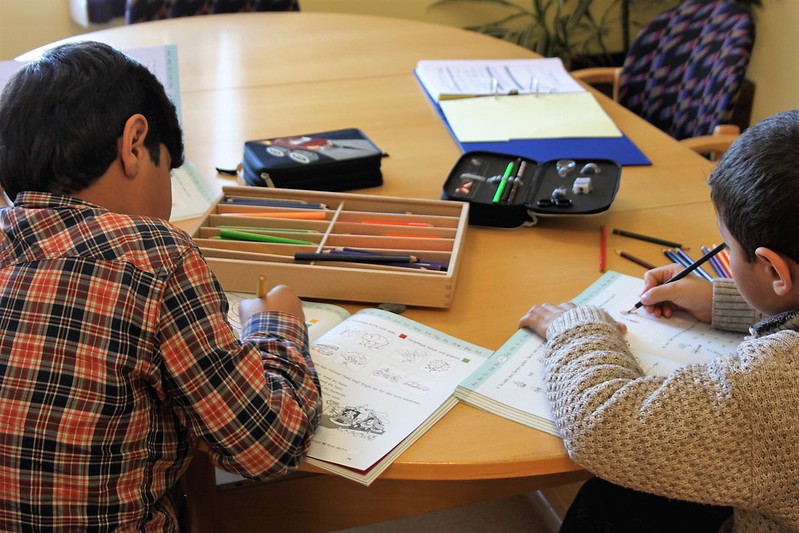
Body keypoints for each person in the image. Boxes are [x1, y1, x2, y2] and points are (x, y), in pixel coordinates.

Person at [0, 41, 321, 531]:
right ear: (134, 143)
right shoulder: (156, 256)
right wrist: (277, 326)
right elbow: (269, 444)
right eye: (168, 169)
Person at [519, 109, 799, 532]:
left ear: (776, 271)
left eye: (726, 246)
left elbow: (604, 427)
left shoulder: (781, 383)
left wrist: (577, 328)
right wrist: (727, 299)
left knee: (616, 498)